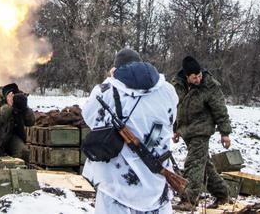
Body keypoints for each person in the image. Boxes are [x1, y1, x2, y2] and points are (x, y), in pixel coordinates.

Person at [82, 48, 178, 214]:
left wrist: (111, 79)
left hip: (117, 183)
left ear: (117, 69)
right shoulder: (168, 90)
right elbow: (169, 120)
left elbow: (90, 118)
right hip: (157, 180)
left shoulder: (106, 90)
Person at [172, 56, 232, 210]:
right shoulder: (177, 85)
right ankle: (222, 194)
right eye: (194, 77)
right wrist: (175, 129)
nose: (198, 79)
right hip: (186, 130)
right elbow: (175, 107)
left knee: (193, 163)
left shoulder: (209, 85)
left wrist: (225, 132)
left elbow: (220, 109)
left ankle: (189, 199)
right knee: (204, 166)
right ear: (186, 76)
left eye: (199, 75)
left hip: (202, 129)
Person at [0, 83, 35, 164]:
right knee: (0, 163)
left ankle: (20, 174)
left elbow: (31, 122)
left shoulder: (18, 101)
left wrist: (24, 107)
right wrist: (9, 105)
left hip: (10, 137)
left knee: (23, 152)